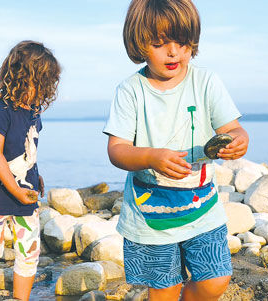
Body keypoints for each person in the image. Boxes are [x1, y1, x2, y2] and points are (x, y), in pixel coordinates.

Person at [103, 0, 249, 300]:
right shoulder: (130, 90)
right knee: (164, 290)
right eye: (159, 44)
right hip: (150, 217)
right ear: (140, 43)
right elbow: (117, 149)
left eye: (182, 43)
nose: (174, 52)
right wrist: (151, 157)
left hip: (202, 210)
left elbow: (232, 128)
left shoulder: (206, 81)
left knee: (216, 279)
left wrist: (238, 139)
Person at [0, 40, 61, 301]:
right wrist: (14, 189)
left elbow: (27, 148)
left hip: (25, 192)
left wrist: (36, 174)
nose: (44, 90)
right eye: (41, 83)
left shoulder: (33, 112)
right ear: (21, 77)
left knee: (29, 253)